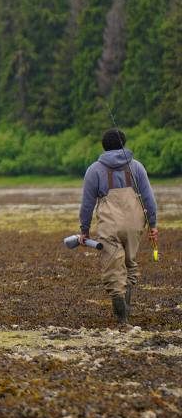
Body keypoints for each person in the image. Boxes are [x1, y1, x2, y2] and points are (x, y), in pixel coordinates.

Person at [78, 129, 158, 327]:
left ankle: (121, 319)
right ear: (124, 143)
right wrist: (153, 225)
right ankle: (126, 314)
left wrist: (84, 230)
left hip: (109, 226)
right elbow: (149, 199)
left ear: (103, 146)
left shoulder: (94, 170)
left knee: (113, 268)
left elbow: (87, 204)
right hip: (134, 223)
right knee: (130, 265)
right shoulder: (137, 167)